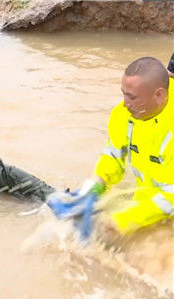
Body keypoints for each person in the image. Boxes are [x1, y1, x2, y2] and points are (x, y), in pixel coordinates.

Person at [50, 56, 174, 237]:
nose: (125, 103)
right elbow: (113, 155)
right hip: (151, 201)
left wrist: (124, 220)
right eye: (123, 94)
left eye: (132, 97)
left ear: (159, 94)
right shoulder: (121, 115)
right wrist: (98, 184)